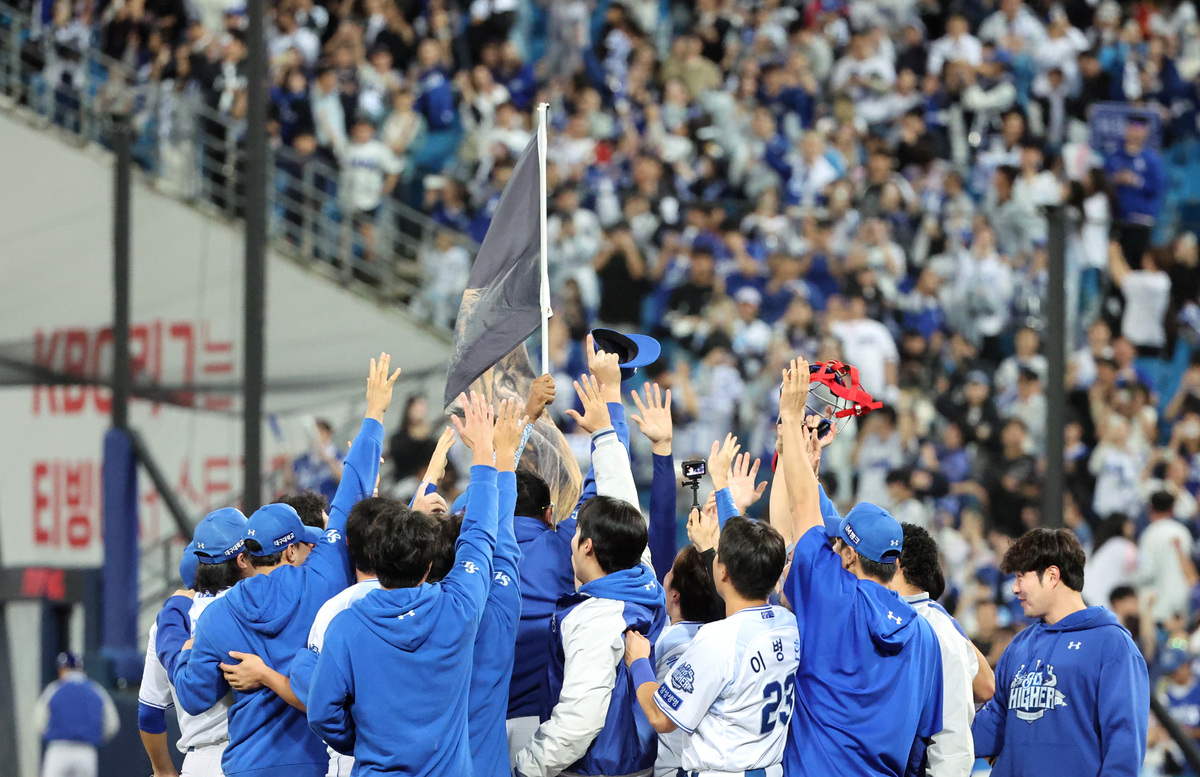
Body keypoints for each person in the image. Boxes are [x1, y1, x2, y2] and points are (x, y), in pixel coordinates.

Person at [156, 354, 397, 777]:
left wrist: (177, 643)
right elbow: (350, 492)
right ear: (291, 550)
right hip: (307, 764)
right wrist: (374, 412)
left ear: (248, 554)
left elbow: (193, 697)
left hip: (246, 765)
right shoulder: (322, 579)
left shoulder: (219, 615)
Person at [304, 389, 501, 776]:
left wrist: (360, 740)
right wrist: (484, 455)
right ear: (429, 565)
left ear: (374, 558)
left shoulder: (346, 625)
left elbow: (322, 713)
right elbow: (479, 536)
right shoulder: (457, 610)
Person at [775, 358, 944, 777]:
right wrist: (806, 464)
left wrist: (791, 419)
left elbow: (795, 513)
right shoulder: (925, 633)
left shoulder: (833, 595)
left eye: (838, 543)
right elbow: (923, 741)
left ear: (849, 555)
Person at [514, 374, 666, 777]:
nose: (569, 535)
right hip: (639, 761)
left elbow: (579, 723)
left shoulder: (594, 618)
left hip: (593, 767)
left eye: (577, 532)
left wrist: (524, 767)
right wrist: (605, 429)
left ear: (587, 547)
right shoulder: (644, 577)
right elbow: (619, 498)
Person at [624, 515, 798, 776]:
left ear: (723, 571)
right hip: (771, 769)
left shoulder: (718, 637)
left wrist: (638, 662)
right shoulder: (790, 623)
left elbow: (660, 718)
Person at [972, 528, 1150, 776]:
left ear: (1052, 576)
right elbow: (994, 724)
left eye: (1021, 577)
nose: (1014, 588)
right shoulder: (1019, 645)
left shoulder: (1112, 644)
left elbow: (1124, 745)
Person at [139, 511, 252, 777]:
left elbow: (149, 713)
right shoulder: (253, 608)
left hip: (199, 760)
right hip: (253, 753)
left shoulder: (166, 624)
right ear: (242, 558)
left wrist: (163, 771)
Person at [891, 523, 993, 777]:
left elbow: (984, 687)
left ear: (894, 563)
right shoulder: (940, 621)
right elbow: (986, 685)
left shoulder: (936, 626)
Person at [647, 545, 723, 777]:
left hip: (670, 768)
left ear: (675, 594)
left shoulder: (661, 640)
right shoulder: (721, 636)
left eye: (670, 570)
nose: (665, 575)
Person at [35, 653, 119, 777]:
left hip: (58, 749)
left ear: (63, 669)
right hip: (86, 751)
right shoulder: (97, 690)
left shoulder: (54, 689)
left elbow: (39, 722)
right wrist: (95, 736)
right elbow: (112, 725)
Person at [1139, 491, 1195, 624]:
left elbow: (1146, 571)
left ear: (1150, 509)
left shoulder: (1148, 535)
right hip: (1184, 599)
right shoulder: (1183, 531)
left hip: (1159, 604)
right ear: (1172, 509)